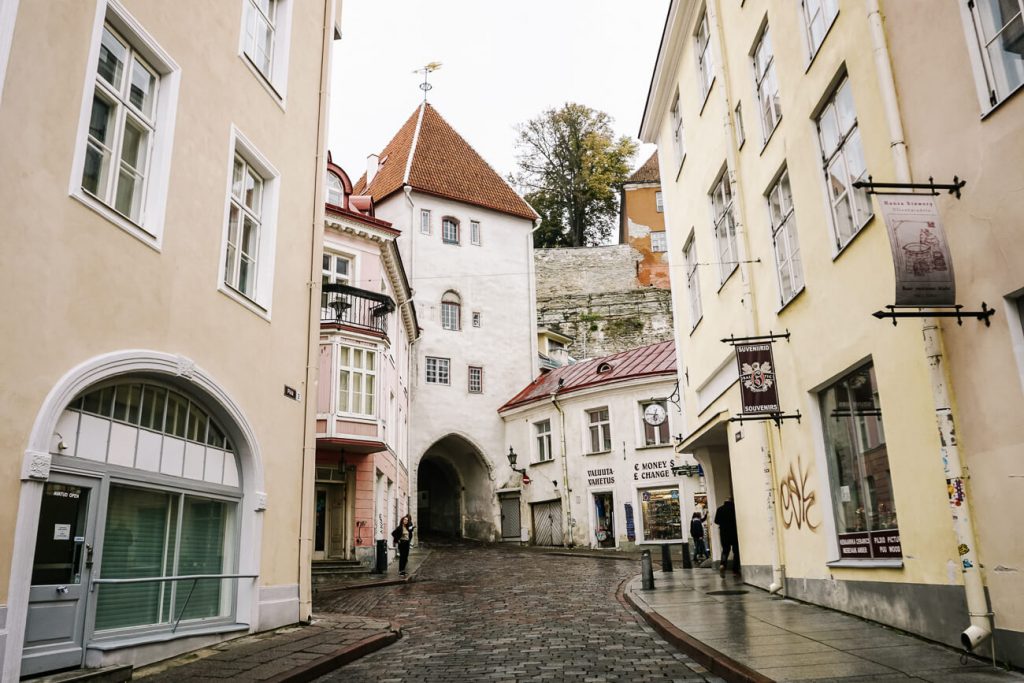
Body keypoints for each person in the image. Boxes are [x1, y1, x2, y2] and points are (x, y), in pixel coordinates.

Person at [714, 498, 740, 576]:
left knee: (725, 550)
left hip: (724, 533)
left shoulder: (720, 509)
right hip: (734, 532)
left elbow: (716, 521)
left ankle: (723, 565)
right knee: (736, 551)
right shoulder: (735, 508)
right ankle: (735, 570)